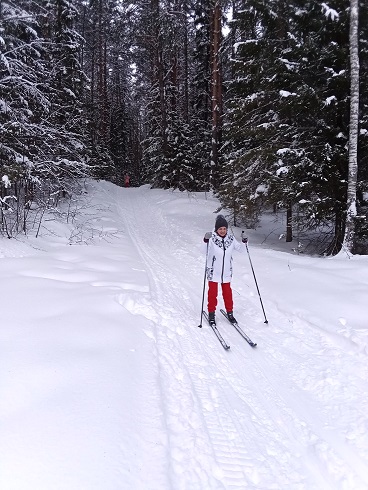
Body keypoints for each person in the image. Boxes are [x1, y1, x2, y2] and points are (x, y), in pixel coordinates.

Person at [203, 214, 246, 326]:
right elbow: (203, 251)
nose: (222, 231)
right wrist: (205, 241)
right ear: (216, 229)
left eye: (224, 229)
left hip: (226, 271)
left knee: (227, 293)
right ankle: (211, 314)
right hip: (213, 271)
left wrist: (244, 242)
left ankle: (230, 313)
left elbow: (241, 250)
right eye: (220, 229)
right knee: (212, 293)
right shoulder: (211, 239)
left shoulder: (231, 239)